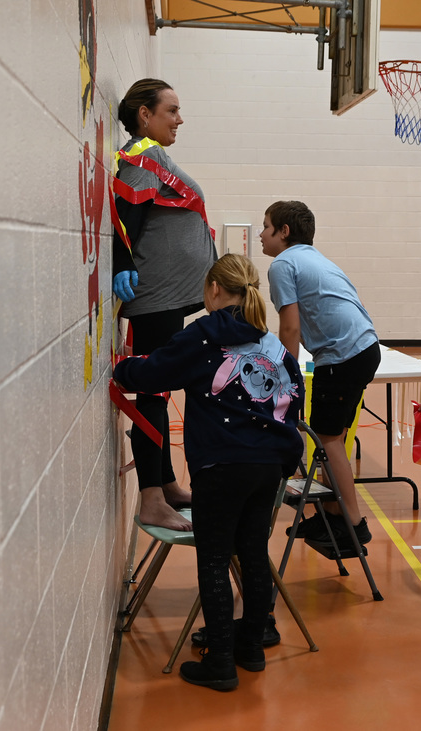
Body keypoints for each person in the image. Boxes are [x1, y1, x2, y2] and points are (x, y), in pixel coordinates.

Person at [113, 254, 304, 691]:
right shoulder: (272, 343)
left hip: (222, 466)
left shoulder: (205, 334)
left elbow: (153, 373)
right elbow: (294, 400)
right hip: (269, 466)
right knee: (253, 554)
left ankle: (219, 662)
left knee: (214, 559)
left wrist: (122, 367)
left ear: (214, 290)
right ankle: (250, 648)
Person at [112, 78, 218, 530]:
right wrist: (122, 263)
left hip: (167, 296)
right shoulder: (142, 155)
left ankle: (168, 484)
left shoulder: (154, 156)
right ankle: (152, 498)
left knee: (159, 391)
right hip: (155, 297)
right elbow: (126, 213)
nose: (179, 119)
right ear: (145, 114)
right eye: (171, 110)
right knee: (152, 395)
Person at [261, 200, 381, 550]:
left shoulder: (283, 264)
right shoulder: (315, 258)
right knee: (332, 437)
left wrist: (285, 381)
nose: (260, 234)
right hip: (362, 349)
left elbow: (290, 328)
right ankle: (331, 515)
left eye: (266, 227)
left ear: (284, 231)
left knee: (328, 440)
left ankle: (353, 526)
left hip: (344, 356)